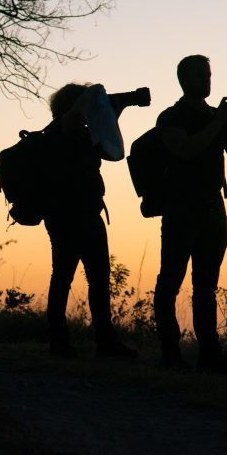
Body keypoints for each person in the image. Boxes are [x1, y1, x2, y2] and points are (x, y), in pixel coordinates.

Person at [154, 55, 227, 373]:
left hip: (212, 211)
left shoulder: (216, 117)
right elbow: (186, 150)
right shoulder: (170, 117)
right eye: (199, 76)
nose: (206, 81)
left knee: (206, 287)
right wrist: (219, 122)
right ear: (183, 80)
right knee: (169, 284)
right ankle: (171, 354)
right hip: (181, 210)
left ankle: (210, 355)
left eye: (208, 75)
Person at [43, 82, 150, 358]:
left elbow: (111, 150)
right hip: (66, 217)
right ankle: (59, 342)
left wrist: (115, 110)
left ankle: (105, 341)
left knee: (99, 280)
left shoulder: (83, 134)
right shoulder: (59, 130)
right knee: (63, 277)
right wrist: (95, 92)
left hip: (89, 215)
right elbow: (76, 116)